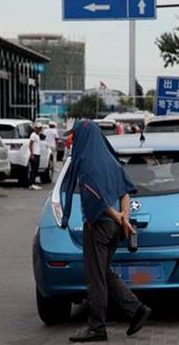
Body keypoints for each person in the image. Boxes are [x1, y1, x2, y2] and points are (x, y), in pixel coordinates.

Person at [61, 120, 151, 343]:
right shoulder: (111, 160)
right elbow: (125, 192)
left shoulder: (87, 163)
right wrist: (123, 217)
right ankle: (137, 310)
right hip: (114, 229)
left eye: (75, 137)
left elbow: (96, 198)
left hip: (98, 226)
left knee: (95, 279)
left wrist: (116, 216)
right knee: (105, 274)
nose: (73, 142)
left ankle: (97, 327)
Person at [28, 123, 43, 190]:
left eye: (40, 128)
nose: (40, 129)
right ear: (35, 128)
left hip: (37, 154)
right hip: (34, 154)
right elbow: (30, 144)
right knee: (33, 170)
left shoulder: (37, 135)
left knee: (35, 169)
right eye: (38, 128)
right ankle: (31, 184)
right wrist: (32, 154)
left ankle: (33, 183)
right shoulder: (33, 135)